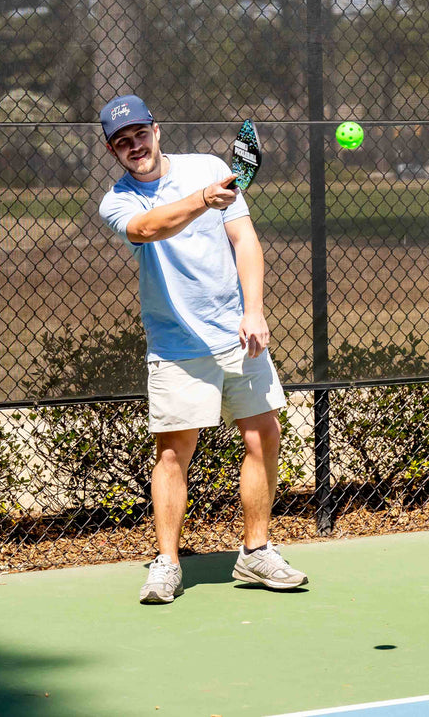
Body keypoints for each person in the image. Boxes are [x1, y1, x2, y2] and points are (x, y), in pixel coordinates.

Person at [96, 94, 308, 604]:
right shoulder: (118, 201)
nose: (134, 147)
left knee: (264, 434)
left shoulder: (209, 168)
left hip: (236, 334)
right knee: (174, 453)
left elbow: (245, 242)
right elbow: (149, 229)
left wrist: (253, 309)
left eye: (140, 134)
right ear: (113, 151)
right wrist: (201, 201)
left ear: (157, 130)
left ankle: (256, 552)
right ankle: (166, 564)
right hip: (176, 343)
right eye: (122, 143)